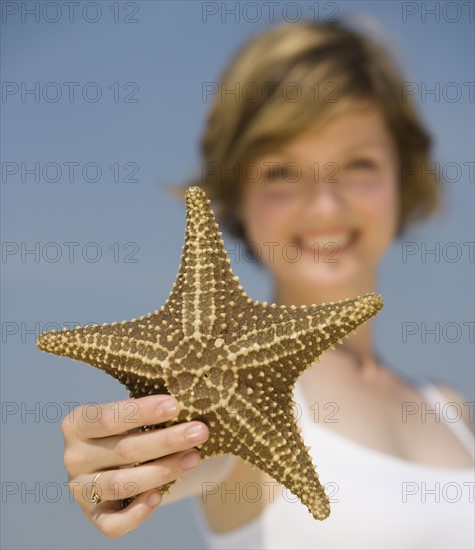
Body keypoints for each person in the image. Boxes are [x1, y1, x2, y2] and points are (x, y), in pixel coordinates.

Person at [60, 19, 474, 548]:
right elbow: (199, 453)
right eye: (283, 172)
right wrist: (120, 470)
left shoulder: (451, 409)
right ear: (234, 191)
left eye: (359, 164)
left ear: (403, 176)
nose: (325, 205)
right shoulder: (235, 391)